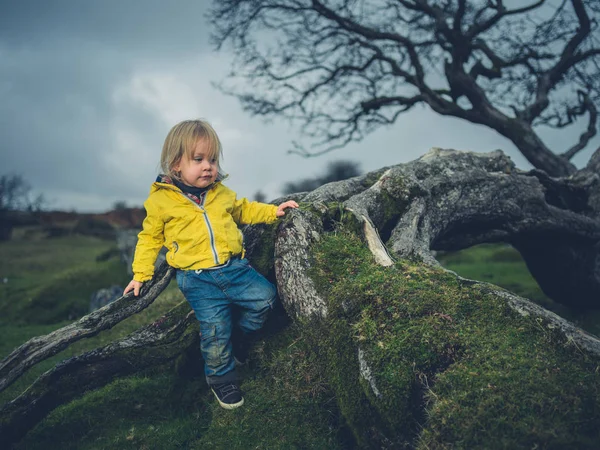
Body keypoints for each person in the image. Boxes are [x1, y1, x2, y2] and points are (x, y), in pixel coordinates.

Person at [123, 119, 298, 410]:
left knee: (266, 299)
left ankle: (241, 339)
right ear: (176, 164)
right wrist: (140, 274)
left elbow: (244, 209)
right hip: (198, 279)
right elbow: (149, 238)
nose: (208, 166)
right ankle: (221, 379)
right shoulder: (161, 202)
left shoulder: (220, 193)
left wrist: (273, 211)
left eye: (213, 159)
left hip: (235, 270)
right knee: (215, 330)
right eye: (198, 159)